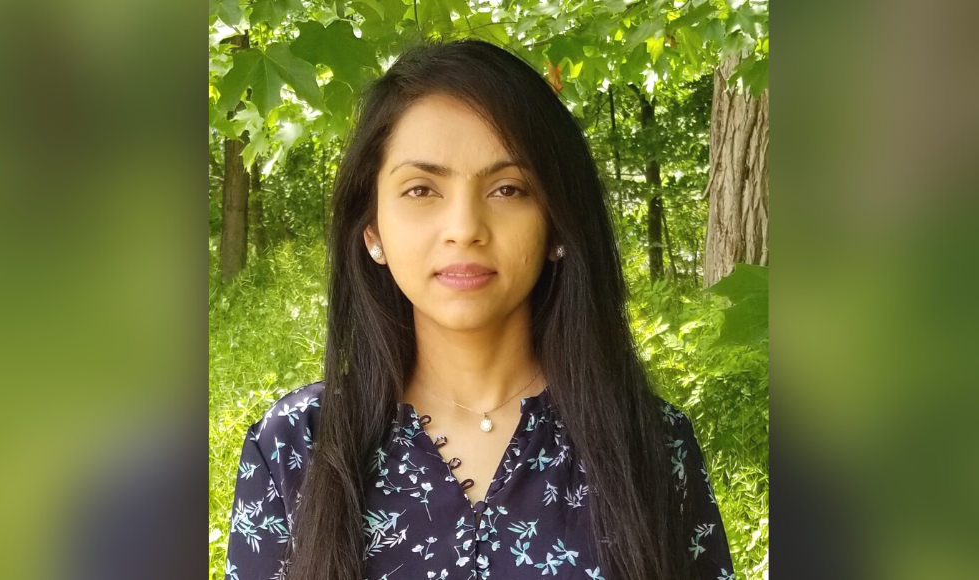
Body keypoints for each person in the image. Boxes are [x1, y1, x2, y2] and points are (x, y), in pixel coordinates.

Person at [224, 39, 735, 580]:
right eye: (421, 189)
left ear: (557, 223)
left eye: (508, 189)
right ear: (371, 229)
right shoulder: (295, 446)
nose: (465, 228)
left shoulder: (651, 443)